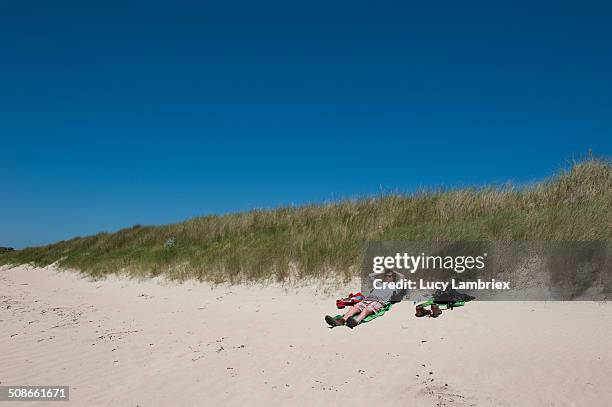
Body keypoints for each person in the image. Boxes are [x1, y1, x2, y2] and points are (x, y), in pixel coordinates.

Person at [325, 268, 406, 328]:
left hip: (379, 301)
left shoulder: (395, 286)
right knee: (354, 308)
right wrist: (382, 272)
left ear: (393, 278)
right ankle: (341, 321)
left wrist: (393, 271)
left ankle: (355, 322)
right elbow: (370, 275)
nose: (387, 277)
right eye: (386, 276)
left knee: (367, 309)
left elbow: (402, 276)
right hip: (368, 299)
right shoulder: (378, 283)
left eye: (389, 276)